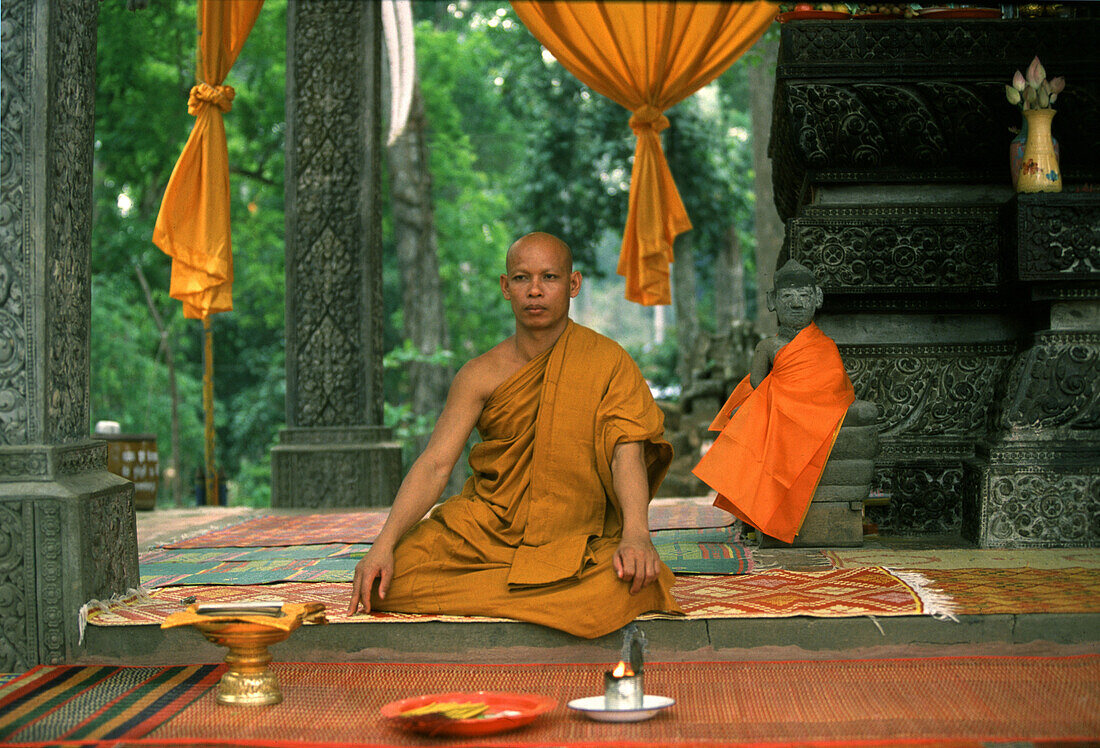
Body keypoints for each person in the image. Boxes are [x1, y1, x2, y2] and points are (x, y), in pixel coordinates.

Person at [347, 232, 682, 638]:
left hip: (574, 537)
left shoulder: (608, 363)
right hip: (487, 530)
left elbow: (624, 453)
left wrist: (636, 535)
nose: (535, 291)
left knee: (631, 579)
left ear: (573, 284)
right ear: (507, 287)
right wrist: (382, 544)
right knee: (386, 583)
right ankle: (545, 597)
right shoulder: (479, 374)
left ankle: (517, 590)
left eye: (550, 278)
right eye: (522, 279)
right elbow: (436, 464)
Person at [692, 260, 855, 544]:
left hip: (814, 412)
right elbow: (758, 383)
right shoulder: (767, 346)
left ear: (817, 298)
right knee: (749, 419)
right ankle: (750, 513)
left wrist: (797, 401)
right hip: (778, 407)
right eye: (787, 296)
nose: (796, 304)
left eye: (804, 296)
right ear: (772, 301)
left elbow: (833, 387)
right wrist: (781, 399)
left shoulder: (825, 346)